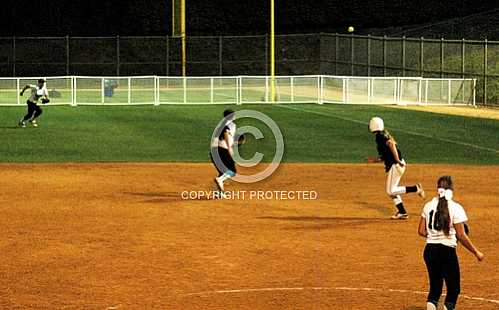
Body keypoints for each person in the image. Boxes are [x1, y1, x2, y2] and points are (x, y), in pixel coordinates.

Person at [418, 175, 484, 310]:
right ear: (451, 189)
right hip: (446, 251)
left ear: (437, 188)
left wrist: (434, 236)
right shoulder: (455, 207)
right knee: (453, 289)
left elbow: (421, 231)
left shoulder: (428, 205)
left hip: (429, 250)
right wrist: (476, 252)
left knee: (435, 288)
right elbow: (461, 235)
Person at [368, 116, 425, 219]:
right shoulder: (383, 134)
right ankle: (402, 212)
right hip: (397, 165)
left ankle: (416, 188)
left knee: (391, 191)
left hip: (396, 165)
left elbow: (392, 145)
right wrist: (375, 160)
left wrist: (397, 160)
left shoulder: (380, 136)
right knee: (393, 190)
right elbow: (385, 156)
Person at [210, 109, 237, 194]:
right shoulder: (230, 124)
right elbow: (225, 133)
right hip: (222, 149)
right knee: (232, 170)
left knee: (222, 171)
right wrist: (229, 147)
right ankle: (219, 180)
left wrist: (234, 142)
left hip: (214, 150)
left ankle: (217, 191)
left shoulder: (221, 124)